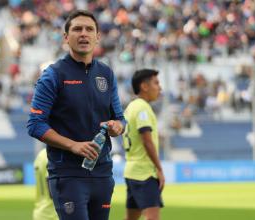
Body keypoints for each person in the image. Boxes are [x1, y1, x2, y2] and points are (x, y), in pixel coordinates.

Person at [27, 10, 126, 220]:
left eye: (89, 29)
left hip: (102, 173)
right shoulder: (53, 75)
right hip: (68, 174)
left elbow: (120, 118)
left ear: (97, 36)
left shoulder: (106, 74)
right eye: (77, 29)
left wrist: (118, 126)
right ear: (66, 37)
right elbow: (35, 124)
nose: (84, 34)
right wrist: (73, 145)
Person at [122, 69, 165, 220]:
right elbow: (147, 141)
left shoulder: (131, 107)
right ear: (144, 86)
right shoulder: (142, 108)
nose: (160, 87)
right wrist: (159, 169)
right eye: (156, 83)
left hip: (131, 170)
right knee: (153, 217)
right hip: (144, 173)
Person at [33, 149, 58, 220]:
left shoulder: (41, 154)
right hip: (53, 214)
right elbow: (52, 190)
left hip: (40, 213)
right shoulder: (52, 154)